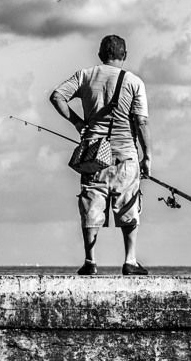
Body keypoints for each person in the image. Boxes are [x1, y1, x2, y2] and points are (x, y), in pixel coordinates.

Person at [50, 34, 151, 276]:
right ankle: (130, 260)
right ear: (124, 55)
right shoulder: (134, 82)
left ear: (99, 55)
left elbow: (57, 96)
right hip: (124, 155)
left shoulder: (85, 75)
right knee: (128, 207)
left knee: (91, 208)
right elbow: (141, 122)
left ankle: (90, 261)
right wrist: (147, 156)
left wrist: (77, 122)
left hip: (94, 155)